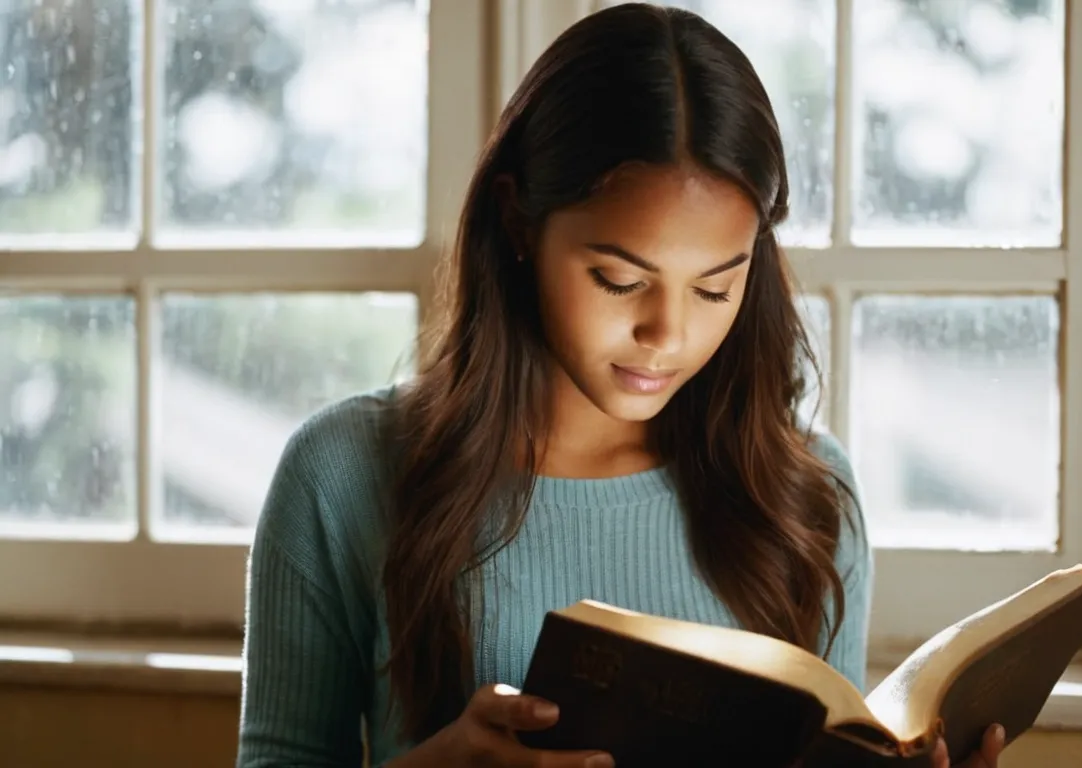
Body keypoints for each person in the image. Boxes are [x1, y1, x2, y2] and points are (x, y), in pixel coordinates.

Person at [235, 3, 1004, 767]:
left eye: (713, 289)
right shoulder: (344, 472)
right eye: (618, 279)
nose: (668, 335)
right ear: (517, 222)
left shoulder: (804, 491)